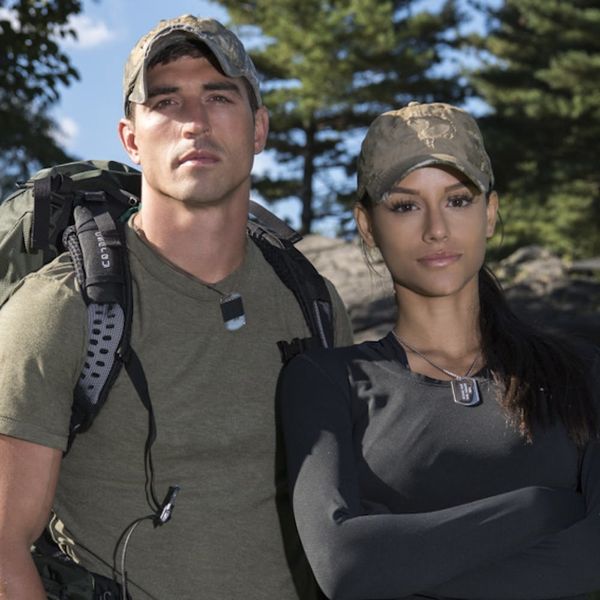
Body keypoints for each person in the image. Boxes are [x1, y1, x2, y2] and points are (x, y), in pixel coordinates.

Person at [0, 15, 353, 600]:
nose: (194, 123)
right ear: (131, 139)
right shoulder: (64, 311)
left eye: (219, 97)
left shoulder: (310, 301)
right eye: (166, 103)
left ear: (259, 128)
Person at [279, 102, 600, 600]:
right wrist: (544, 508)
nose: (436, 229)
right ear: (367, 225)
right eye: (405, 206)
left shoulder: (580, 373)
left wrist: (404, 570)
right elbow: (345, 566)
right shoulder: (324, 382)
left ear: (489, 213)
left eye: (458, 200)